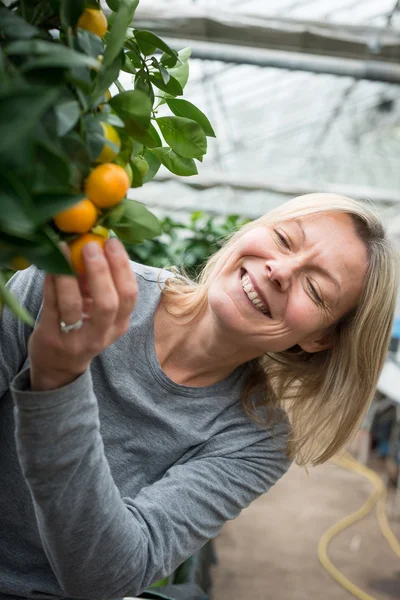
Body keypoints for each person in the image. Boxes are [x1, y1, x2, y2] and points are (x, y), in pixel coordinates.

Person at [0, 192, 397, 600]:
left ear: (320, 338)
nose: (280, 270)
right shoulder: (80, 289)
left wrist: (60, 379)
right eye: (283, 239)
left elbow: (109, 577)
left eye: (314, 288)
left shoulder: (257, 440)